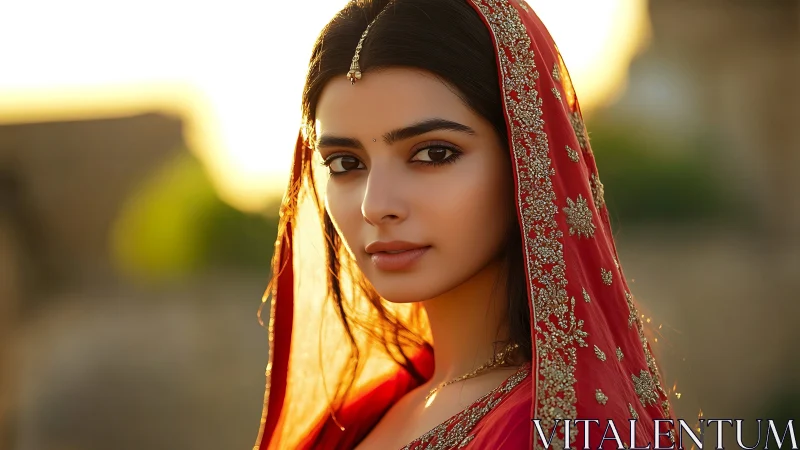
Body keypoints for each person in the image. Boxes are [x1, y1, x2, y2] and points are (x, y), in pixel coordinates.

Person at [254, 0, 676, 448]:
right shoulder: (359, 417)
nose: (374, 206)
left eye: (434, 154)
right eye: (345, 163)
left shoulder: (565, 427)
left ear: (526, 158)